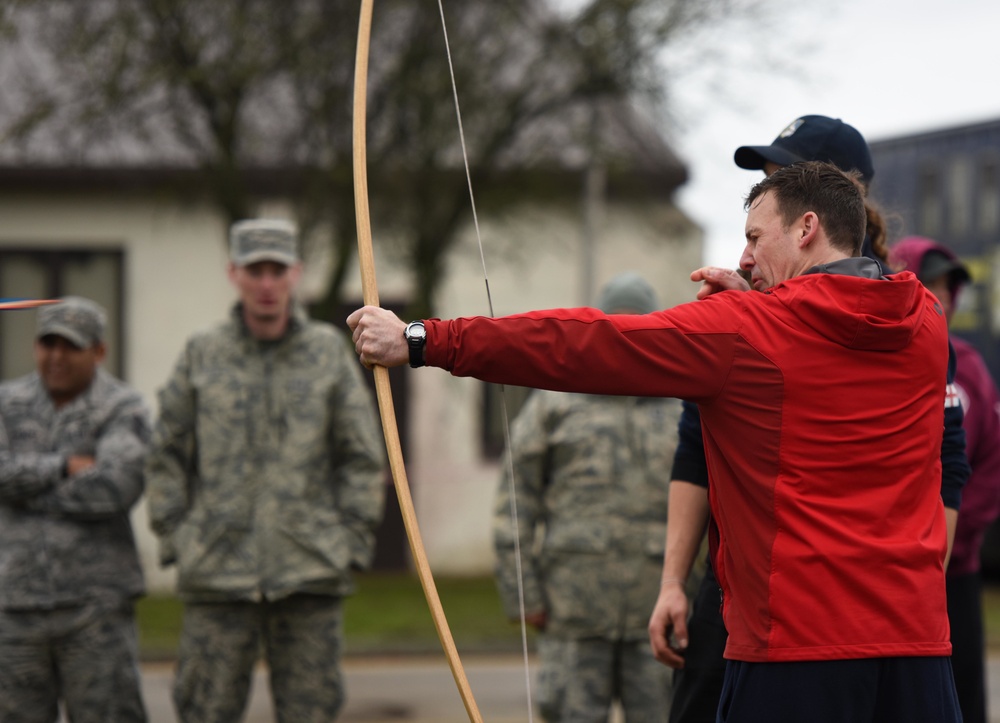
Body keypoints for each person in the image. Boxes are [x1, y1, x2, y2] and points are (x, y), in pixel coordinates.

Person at [350, 161, 963, 723]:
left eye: (755, 237)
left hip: (796, 652)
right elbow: (826, 367)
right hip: (918, 650)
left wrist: (423, 339)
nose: (746, 259)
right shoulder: (926, 324)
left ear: (807, 228)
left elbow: (585, 345)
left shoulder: (744, 331)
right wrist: (759, 315)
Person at [656, 115, 971, 723]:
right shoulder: (758, 293)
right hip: (739, 594)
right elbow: (697, 442)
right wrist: (673, 580)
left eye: (786, 175)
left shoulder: (911, 312)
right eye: (774, 175)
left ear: (824, 205)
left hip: (841, 620)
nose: (775, 185)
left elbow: (946, 463)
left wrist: (909, 594)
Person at [146, 219, 387, 723]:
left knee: (312, 711)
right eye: (255, 270)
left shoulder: (325, 354)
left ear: (296, 273)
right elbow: (166, 450)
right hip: (217, 573)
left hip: (309, 573)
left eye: (277, 270)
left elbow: (361, 456)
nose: (266, 283)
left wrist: (349, 541)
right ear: (234, 273)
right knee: (204, 710)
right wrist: (177, 536)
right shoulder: (202, 352)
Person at [493, 272, 681, 722]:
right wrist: (523, 593)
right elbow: (515, 501)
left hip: (657, 616)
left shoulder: (681, 404)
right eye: (617, 327)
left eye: (640, 327)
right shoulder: (555, 402)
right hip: (572, 611)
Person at [0, 296, 150, 722]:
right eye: (48, 344)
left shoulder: (124, 407)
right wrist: (63, 466)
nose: (57, 357)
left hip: (96, 610)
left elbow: (116, 487)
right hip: (15, 610)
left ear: (99, 351)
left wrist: (22, 491)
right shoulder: (6, 402)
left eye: (71, 346)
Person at [890, 236, 1000, 723]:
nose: (943, 297)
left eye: (948, 286)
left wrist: (950, 538)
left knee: (963, 701)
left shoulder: (971, 369)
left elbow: (989, 465)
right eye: (930, 283)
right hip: (898, 576)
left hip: (956, 573)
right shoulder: (889, 358)